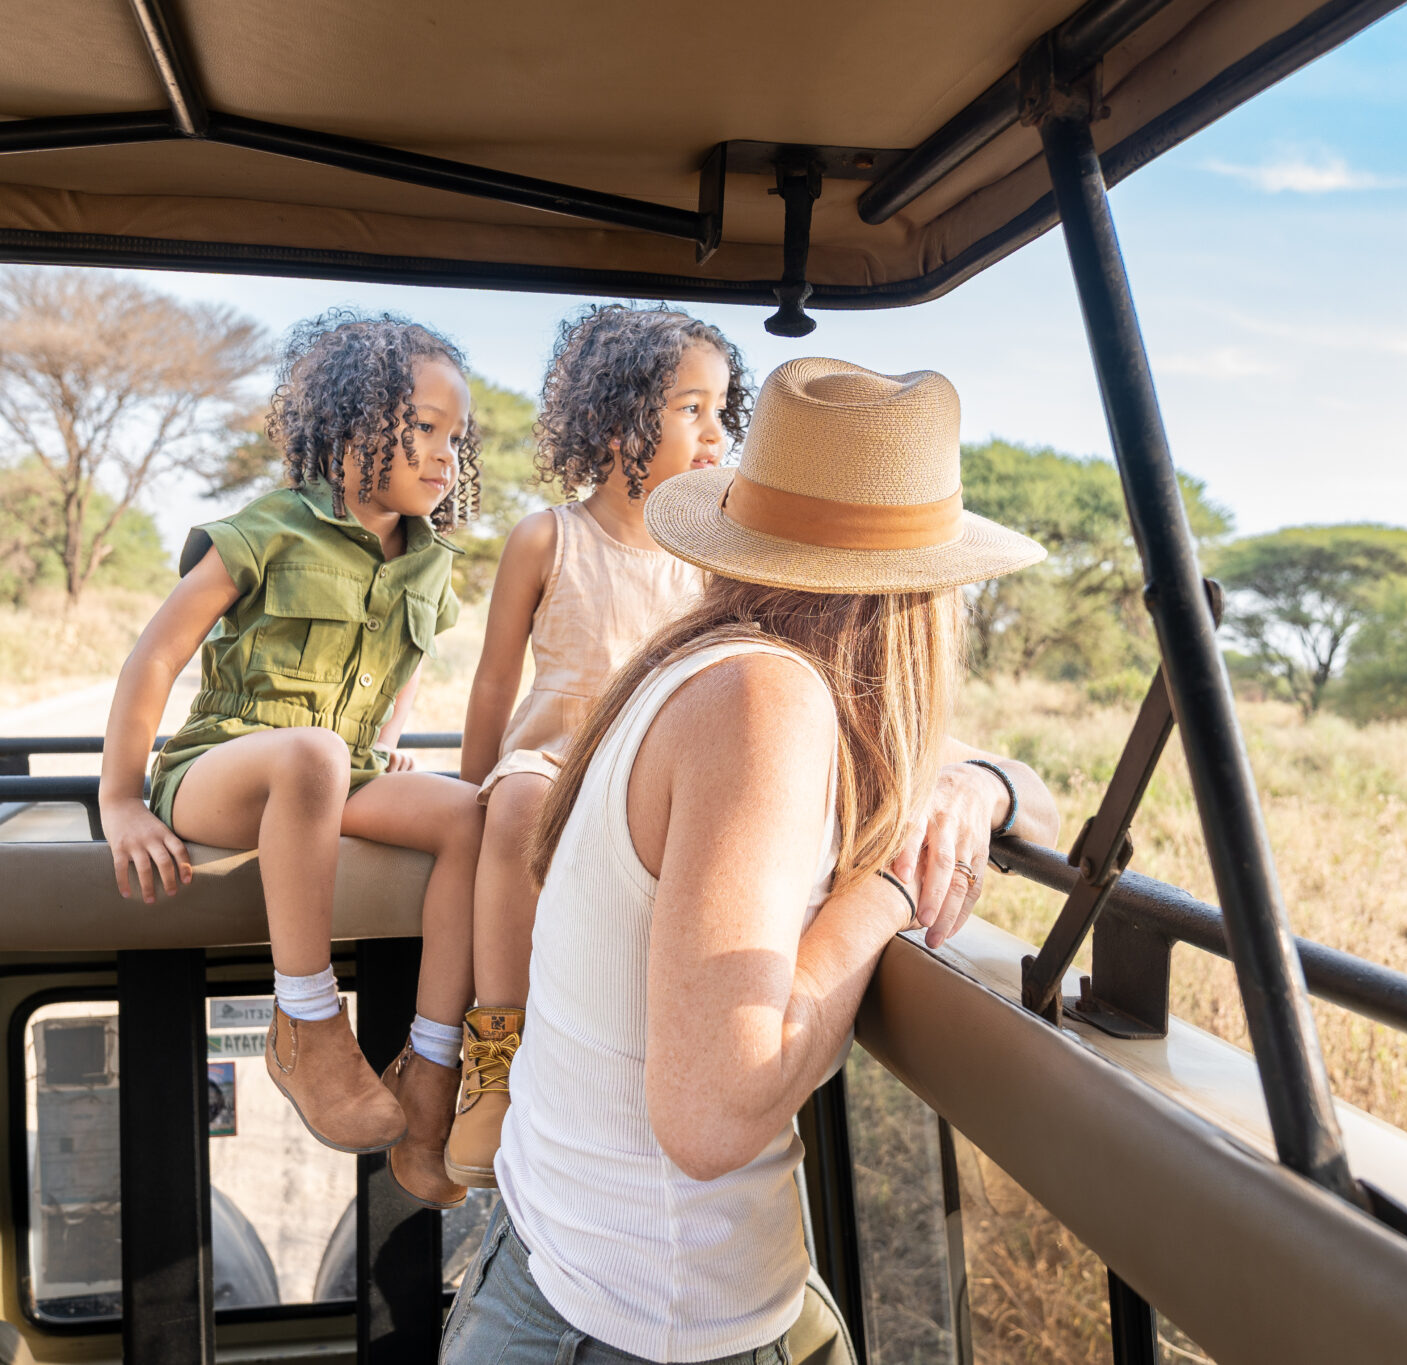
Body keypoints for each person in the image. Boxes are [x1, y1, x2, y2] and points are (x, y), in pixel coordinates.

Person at [442, 357, 1057, 1363]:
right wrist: (889, 891)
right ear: (923, 597)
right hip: (638, 1325)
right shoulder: (762, 706)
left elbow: (1039, 793)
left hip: (555, 1268)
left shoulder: (709, 667)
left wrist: (975, 783)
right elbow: (712, 1117)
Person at [99, 310, 483, 1209]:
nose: (446, 457)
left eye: (456, 439)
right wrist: (120, 798)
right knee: (308, 753)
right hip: (222, 772)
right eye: (425, 429)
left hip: (333, 773)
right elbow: (155, 656)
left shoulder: (430, 565)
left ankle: (431, 1066)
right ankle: (306, 1020)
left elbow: (402, 685)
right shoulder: (269, 526)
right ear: (353, 424)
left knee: (472, 809)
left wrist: (387, 753)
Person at [447, 305, 748, 1189]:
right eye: (691, 408)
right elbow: (494, 686)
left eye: (722, 410)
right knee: (516, 802)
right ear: (618, 419)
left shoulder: (715, 559)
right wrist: (470, 795)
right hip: (553, 769)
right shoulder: (549, 537)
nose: (716, 431)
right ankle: (494, 1055)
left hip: (652, 782)